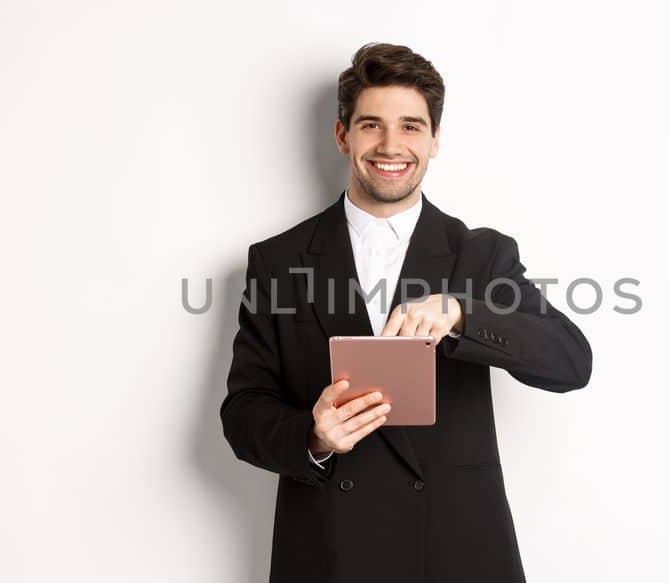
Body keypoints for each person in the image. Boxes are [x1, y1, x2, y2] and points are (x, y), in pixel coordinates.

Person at [221, 42, 593, 583]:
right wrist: (312, 436)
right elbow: (242, 412)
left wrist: (464, 315)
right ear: (343, 135)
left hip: (454, 548)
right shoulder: (277, 261)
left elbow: (571, 362)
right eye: (371, 125)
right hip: (329, 549)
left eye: (412, 126)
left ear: (436, 139)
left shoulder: (481, 256)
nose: (391, 145)